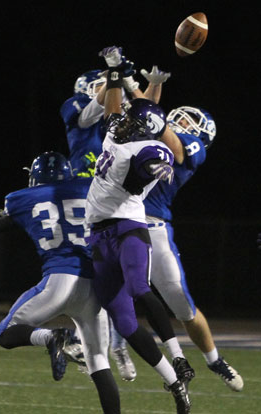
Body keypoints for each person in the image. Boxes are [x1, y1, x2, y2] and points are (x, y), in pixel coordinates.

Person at [85, 46, 192, 414]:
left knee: (139, 287)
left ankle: (178, 356)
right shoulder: (120, 132)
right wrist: (115, 70)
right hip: (97, 233)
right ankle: (175, 382)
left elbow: (159, 163)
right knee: (126, 324)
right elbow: (118, 106)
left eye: (132, 121)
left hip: (129, 225)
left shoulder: (150, 150)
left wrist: (154, 163)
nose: (123, 120)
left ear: (146, 130)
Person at [60, 57, 170, 381]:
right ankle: (83, 339)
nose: (111, 91)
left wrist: (148, 87)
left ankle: (112, 345)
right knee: (82, 273)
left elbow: (146, 118)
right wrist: (115, 76)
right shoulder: (76, 108)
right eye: (102, 86)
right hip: (84, 196)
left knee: (114, 283)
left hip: (115, 205)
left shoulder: (120, 129)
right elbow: (102, 108)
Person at [0, 151, 121, 414]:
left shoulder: (21, 198)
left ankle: (51, 337)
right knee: (98, 361)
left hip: (58, 280)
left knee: (6, 333)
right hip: (94, 286)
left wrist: (7, 213)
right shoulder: (88, 187)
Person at [144, 106, 244, 392]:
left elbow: (171, 142)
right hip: (117, 219)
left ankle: (214, 360)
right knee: (108, 291)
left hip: (153, 226)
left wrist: (150, 114)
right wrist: (131, 87)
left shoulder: (193, 146)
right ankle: (113, 350)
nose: (181, 119)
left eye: (190, 120)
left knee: (180, 303)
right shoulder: (155, 135)